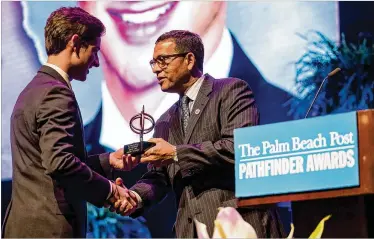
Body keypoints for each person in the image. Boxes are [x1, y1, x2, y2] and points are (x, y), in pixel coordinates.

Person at [117, 30, 286, 238]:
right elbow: (159, 178)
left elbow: (239, 148)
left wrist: (177, 153)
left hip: (238, 224)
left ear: (189, 59)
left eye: (163, 60)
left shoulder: (230, 91)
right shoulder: (164, 120)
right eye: (153, 63)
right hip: (191, 231)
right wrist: (134, 195)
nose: (156, 70)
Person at [1, 6, 138, 238]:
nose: (96, 63)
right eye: (94, 51)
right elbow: (61, 164)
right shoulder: (56, 94)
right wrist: (111, 191)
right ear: (75, 43)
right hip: (49, 228)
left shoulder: (35, 89)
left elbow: (48, 165)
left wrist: (109, 160)